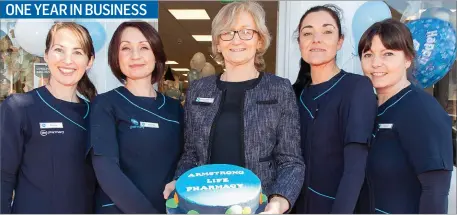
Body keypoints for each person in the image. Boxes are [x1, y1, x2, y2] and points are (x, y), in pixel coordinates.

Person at [163, 1, 305, 214]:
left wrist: (278, 201)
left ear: (259, 40)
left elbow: (291, 161)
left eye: (246, 32)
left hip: (259, 207)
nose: (236, 39)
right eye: (227, 32)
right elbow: (191, 154)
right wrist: (180, 181)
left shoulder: (279, 89)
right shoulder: (199, 90)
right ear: (218, 43)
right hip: (204, 207)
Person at [357, 18, 453, 214]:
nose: (376, 63)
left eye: (388, 54)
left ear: (408, 59)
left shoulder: (422, 111)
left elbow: (435, 192)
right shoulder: (368, 108)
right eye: (368, 55)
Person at [0, 22, 97, 213]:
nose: (67, 60)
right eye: (59, 50)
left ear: (90, 61)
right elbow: (3, 176)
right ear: (46, 55)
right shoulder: (19, 108)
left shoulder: (96, 114)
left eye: (77, 52)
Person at [89, 21, 183, 214]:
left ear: (156, 54)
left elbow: (187, 160)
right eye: (125, 48)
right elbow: (106, 170)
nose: (135, 56)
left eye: (143, 47)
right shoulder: (105, 104)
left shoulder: (175, 110)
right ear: (116, 57)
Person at [292, 4, 378, 214]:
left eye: (327, 31)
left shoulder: (356, 88)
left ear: (340, 41)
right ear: (300, 42)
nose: (316, 39)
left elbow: (354, 170)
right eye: (308, 33)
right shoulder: (296, 94)